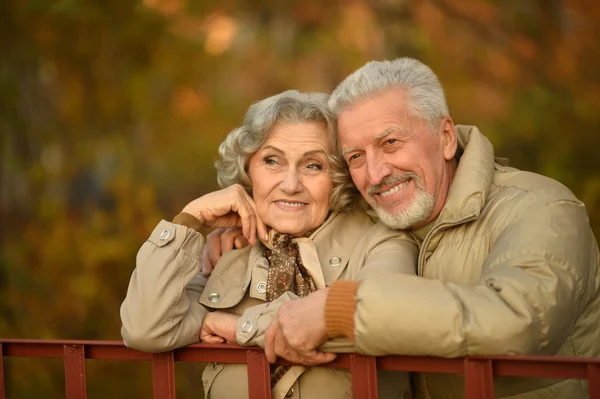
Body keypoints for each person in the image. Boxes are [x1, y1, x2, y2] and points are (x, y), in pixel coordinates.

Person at [205, 59, 600, 399]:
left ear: (445, 138)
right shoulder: (388, 216)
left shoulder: (541, 207)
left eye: (391, 142)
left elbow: (518, 321)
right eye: (356, 156)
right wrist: (249, 233)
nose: (375, 173)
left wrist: (337, 310)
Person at [120, 90, 417, 399]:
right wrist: (189, 221)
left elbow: (383, 316)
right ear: (248, 171)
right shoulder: (228, 254)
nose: (290, 185)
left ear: (340, 176)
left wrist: (241, 329)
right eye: (272, 161)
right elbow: (146, 329)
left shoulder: (382, 240)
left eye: (313, 165)